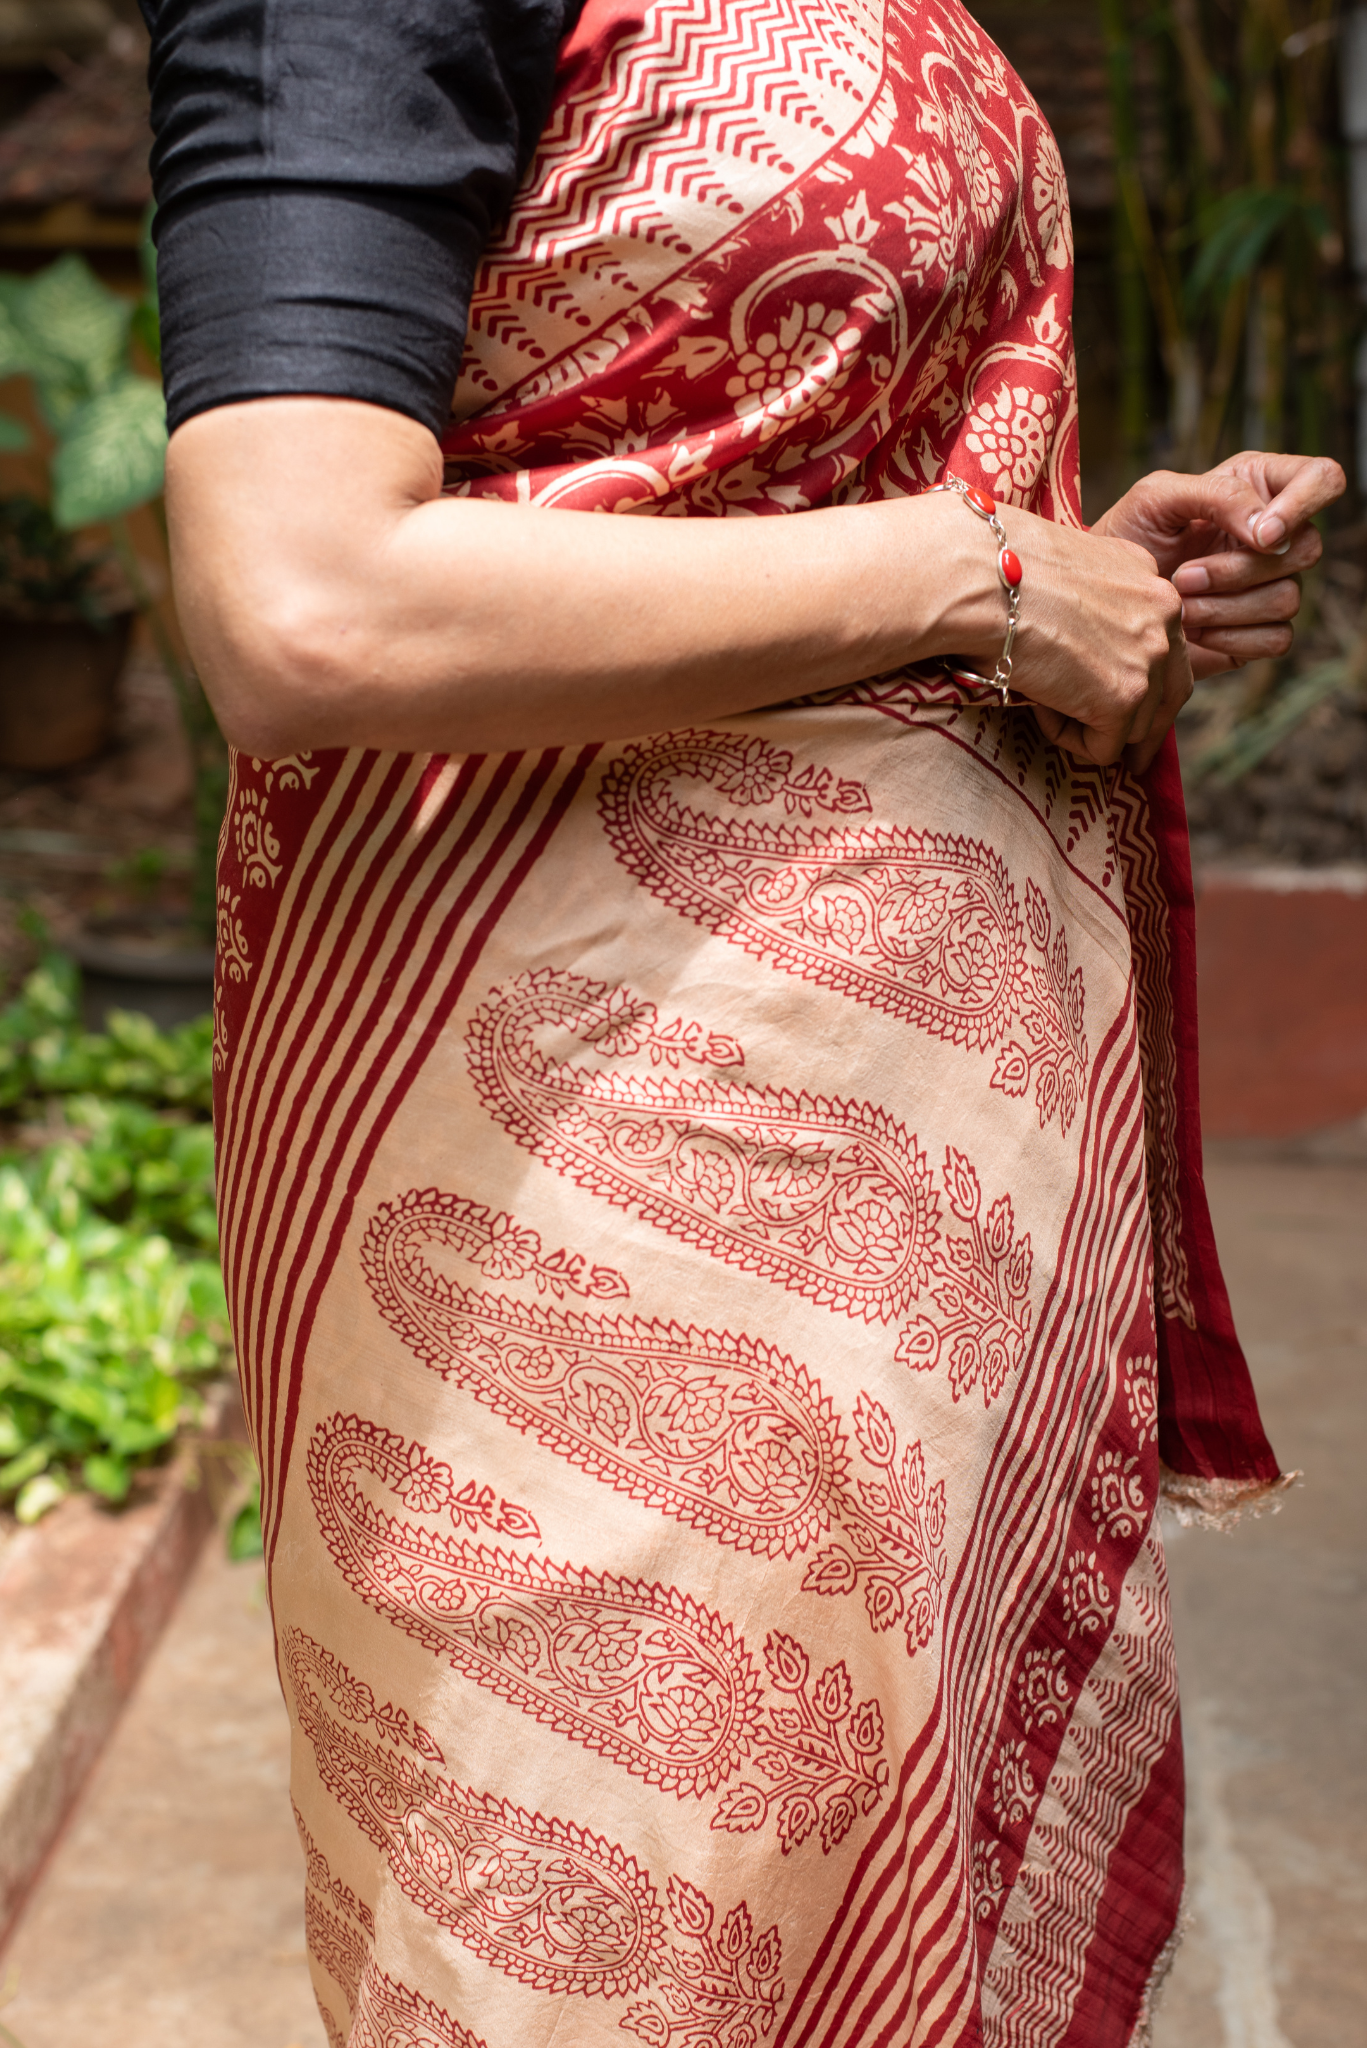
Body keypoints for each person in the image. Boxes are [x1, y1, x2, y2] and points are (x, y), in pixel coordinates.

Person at [144, 1, 1343, 2042]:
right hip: (580, 1149)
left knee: (859, 1894)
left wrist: (1063, 573)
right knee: (605, 1913)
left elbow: (735, 487)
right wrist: (969, 568)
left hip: (896, 1177)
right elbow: (303, 597)